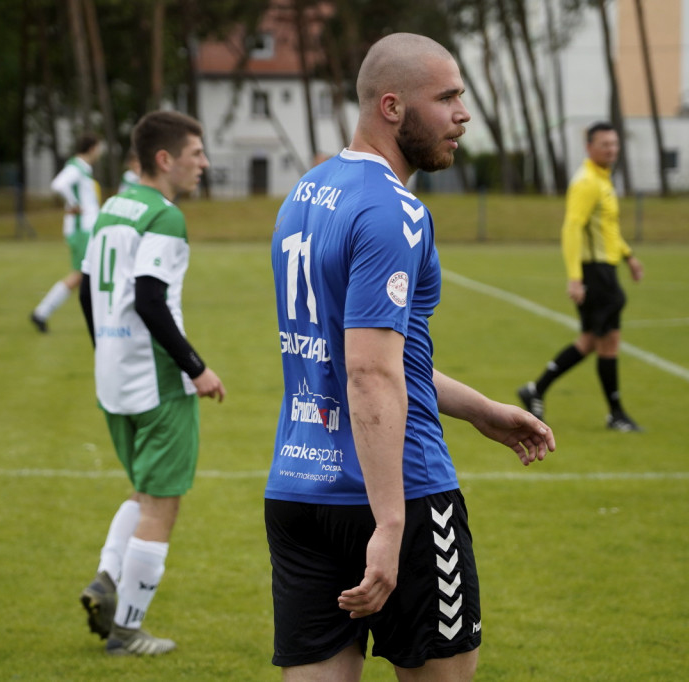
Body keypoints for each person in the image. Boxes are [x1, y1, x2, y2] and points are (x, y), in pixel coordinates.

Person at [266, 33, 555, 681]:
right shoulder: (395, 210)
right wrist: (390, 521)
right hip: (404, 491)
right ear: (392, 107)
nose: (463, 114)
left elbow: (362, 358)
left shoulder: (305, 195)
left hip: (299, 491)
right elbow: (369, 373)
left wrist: (480, 410)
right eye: (448, 96)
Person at [77, 110, 226, 657]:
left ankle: (106, 580)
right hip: (158, 382)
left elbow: (86, 290)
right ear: (165, 160)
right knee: (162, 503)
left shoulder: (112, 209)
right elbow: (149, 298)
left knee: (142, 492)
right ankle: (127, 629)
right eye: (196, 155)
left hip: (113, 377)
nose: (204, 165)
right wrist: (196, 367)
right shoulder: (164, 217)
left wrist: (106, 351)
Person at [516, 122, 645, 432]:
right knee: (606, 340)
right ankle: (615, 413)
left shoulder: (603, 180)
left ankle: (536, 389)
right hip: (595, 272)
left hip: (605, 267)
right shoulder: (587, 182)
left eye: (614, 145)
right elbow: (572, 228)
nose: (611, 150)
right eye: (605, 145)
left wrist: (628, 256)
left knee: (592, 340)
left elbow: (607, 230)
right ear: (589, 148)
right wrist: (575, 277)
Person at [30, 133, 104, 332]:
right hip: (82, 230)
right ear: (92, 148)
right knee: (80, 275)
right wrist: (73, 203)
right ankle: (41, 312)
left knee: (88, 275)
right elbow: (58, 184)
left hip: (85, 229)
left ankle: (43, 313)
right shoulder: (77, 168)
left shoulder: (83, 169)